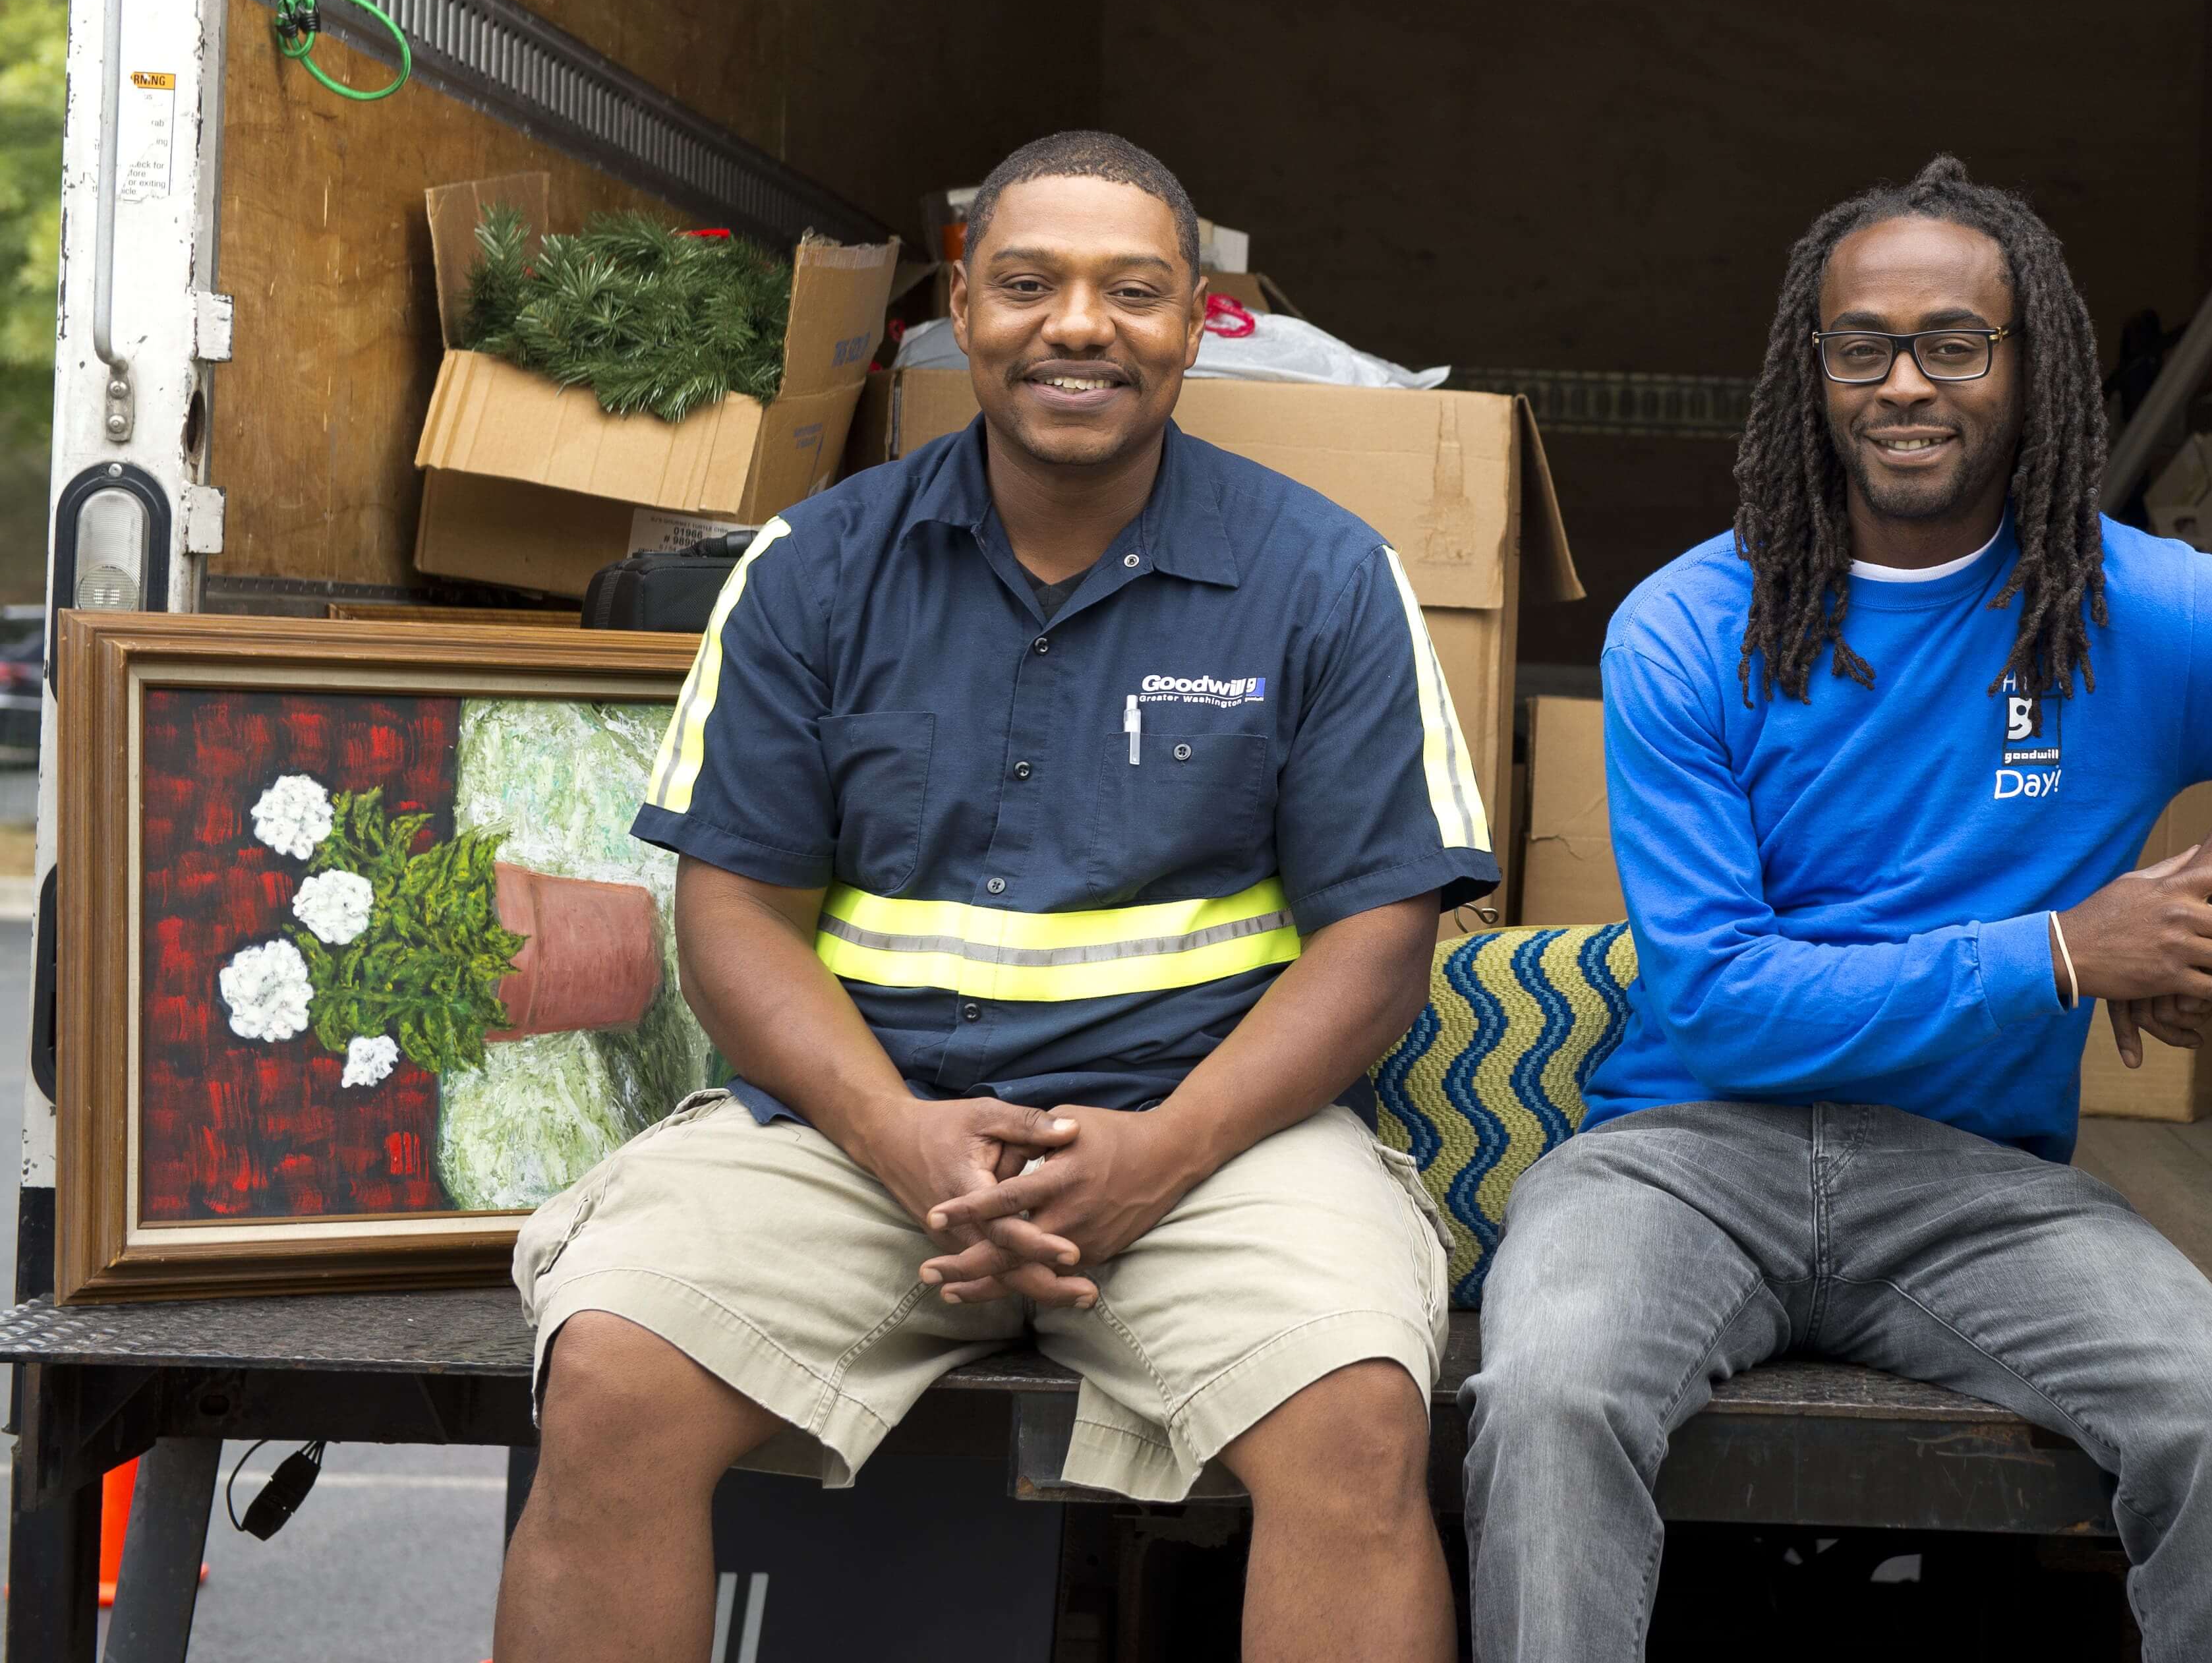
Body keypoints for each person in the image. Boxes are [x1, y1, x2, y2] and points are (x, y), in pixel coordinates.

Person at [1461, 156, 2212, 1661]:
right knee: (1548, 1394)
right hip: (1681, 1157)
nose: (1904, 383)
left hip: (1972, 1179)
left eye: (1953, 344)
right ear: (1812, 371)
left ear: (2028, 367)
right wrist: (2061, 950)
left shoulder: (2132, 607)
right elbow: (1718, 997)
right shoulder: (1690, 622)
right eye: (1861, 346)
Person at [496, 132, 1489, 1663]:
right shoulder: (814, 567)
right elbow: (735, 920)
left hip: (1213, 1142)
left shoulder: (1324, 578)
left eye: (1130, 290)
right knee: (614, 1376)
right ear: (961, 308)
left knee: (1358, 1423)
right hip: (856, 1135)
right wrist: (905, 1143)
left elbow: (1378, 943)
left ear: (1195, 321)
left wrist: (1157, 1158)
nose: (1077, 325)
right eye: (1028, 284)